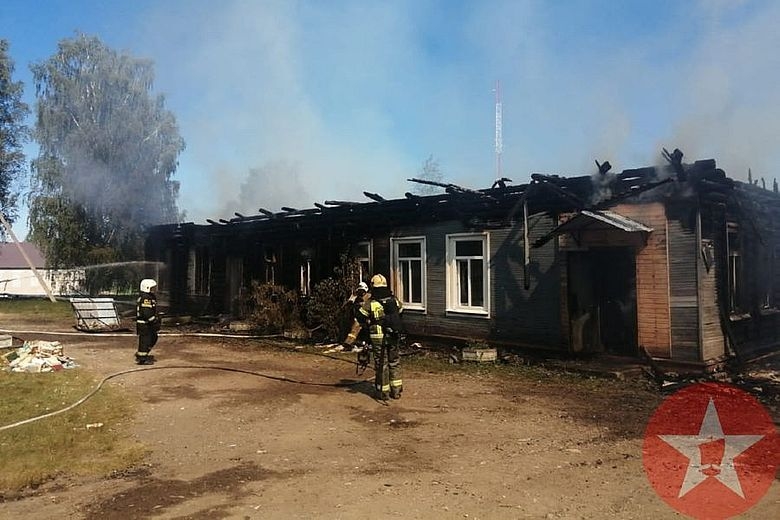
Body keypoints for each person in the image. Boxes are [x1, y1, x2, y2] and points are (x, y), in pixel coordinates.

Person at [358, 274, 404, 400]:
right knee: (394, 361)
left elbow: (360, 315)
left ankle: (383, 392)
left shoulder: (371, 302)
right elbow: (401, 311)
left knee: (381, 363)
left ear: (373, 286)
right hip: (393, 334)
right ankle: (396, 390)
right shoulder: (394, 300)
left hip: (378, 336)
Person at [135, 278, 160, 364]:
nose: (154, 289)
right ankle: (142, 358)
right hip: (144, 324)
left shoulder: (149, 297)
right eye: (152, 288)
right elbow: (146, 312)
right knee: (145, 340)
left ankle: (143, 353)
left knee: (153, 337)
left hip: (147, 323)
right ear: (147, 288)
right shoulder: (146, 298)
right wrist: (153, 320)